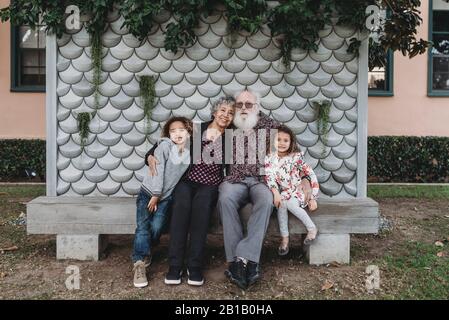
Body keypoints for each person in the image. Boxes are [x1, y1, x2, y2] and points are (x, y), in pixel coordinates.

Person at [217, 89, 313, 290]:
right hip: (235, 179)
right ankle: (241, 263)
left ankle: (243, 258)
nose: (244, 108)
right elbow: (201, 139)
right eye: (240, 104)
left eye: (248, 104)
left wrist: (304, 177)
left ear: (257, 107)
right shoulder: (228, 126)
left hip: (263, 180)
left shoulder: (270, 126)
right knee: (225, 198)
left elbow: (292, 147)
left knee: (266, 201)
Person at [146, 97, 236, 286]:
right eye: (222, 111)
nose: (226, 115)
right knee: (181, 209)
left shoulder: (232, 137)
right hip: (186, 181)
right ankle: (175, 266)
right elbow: (165, 143)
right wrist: (149, 156)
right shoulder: (196, 129)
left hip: (211, 184)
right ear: (214, 112)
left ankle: (194, 266)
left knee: (201, 212)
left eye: (230, 113)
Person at [132, 117, 192, 288]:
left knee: (157, 226)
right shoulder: (164, 146)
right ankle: (139, 262)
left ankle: (145, 247)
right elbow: (158, 171)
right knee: (143, 227)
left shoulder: (188, 155)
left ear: (188, 132)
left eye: (181, 130)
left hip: (164, 198)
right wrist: (156, 194)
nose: (177, 133)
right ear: (168, 134)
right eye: (173, 131)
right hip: (149, 193)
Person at [264, 125, 320, 257]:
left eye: (285, 140)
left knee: (289, 204)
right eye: (279, 139)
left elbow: (309, 174)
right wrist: (275, 193)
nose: (282, 143)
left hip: (298, 190)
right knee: (281, 204)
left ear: (291, 143)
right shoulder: (269, 158)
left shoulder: (296, 157)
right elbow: (269, 176)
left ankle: (312, 228)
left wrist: (312, 197)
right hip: (283, 192)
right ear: (273, 141)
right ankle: (285, 238)